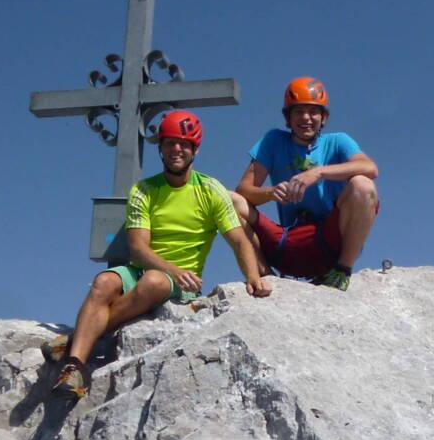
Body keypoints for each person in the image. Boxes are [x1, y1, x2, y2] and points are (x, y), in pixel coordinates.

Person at [53, 110, 271, 398]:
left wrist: (253, 277)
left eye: (184, 143)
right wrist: (173, 269)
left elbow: (239, 240)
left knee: (154, 281)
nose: (176, 149)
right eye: (169, 143)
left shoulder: (210, 189)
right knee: (104, 282)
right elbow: (138, 248)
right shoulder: (144, 190)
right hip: (148, 270)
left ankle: (74, 342)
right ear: (161, 147)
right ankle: (72, 366)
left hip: (179, 283)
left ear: (196, 149)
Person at [232, 77, 379, 291]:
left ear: (323, 117)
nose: (306, 118)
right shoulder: (273, 141)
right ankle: (265, 275)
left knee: (362, 185)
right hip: (288, 243)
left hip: (330, 243)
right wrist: (271, 193)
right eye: (298, 112)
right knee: (228, 200)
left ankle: (341, 271)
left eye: (313, 112)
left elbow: (370, 168)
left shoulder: (338, 141)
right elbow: (243, 190)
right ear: (288, 118)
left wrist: (318, 173)